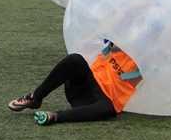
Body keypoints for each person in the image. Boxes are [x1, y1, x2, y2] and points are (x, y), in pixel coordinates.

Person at [8, 40, 142, 125]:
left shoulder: (147, 64)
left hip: (100, 102)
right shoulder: (117, 39)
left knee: (108, 109)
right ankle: (35, 98)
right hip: (83, 86)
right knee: (75, 60)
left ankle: (56, 116)